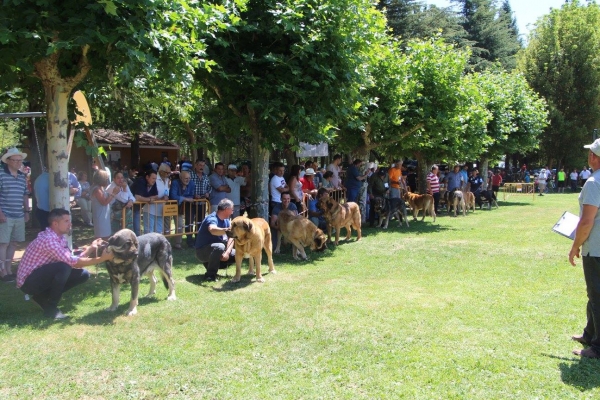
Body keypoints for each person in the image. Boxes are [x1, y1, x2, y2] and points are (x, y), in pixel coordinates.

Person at [16, 208, 114, 319]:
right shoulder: (49, 240)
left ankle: (41, 297)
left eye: (69, 220)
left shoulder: (59, 238)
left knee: (83, 274)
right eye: (66, 221)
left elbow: (72, 260)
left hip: (37, 277)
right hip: (27, 283)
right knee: (63, 268)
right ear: (55, 223)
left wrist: (91, 249)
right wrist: (102, 259)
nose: (70, 224)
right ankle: (51, 309)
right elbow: (73, 262)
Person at [569, 138, 600, 358]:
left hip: (596, 249)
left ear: (594, 157)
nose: (589, 155)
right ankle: (589, 334)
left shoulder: (593, 182)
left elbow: (587, 222)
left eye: (591, 152)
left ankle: (597, 348)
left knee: (596, 295)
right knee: (594, 294)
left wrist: (575, 246)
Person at [0, 148, 31, 283]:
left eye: (20, 160)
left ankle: (9, 269)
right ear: (8, 161)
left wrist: (26, 211)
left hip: (19, 214)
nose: (19, 163)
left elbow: (25, 194)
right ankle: (2, 271)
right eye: (16, 160)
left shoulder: (22, 176)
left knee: (14, 243)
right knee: (3, 243)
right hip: (5, 214)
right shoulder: (1, 174)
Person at [195, 199, 236, 281]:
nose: (232, 212)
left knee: (239, 252)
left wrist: (227, 253)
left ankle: (218, 266)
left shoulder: (226, 220)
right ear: (226, 209)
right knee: (219, 247)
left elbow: (231, 238)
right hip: (202, 252)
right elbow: (212, 229)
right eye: (232, 210)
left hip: (217, 251)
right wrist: (226, 230)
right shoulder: (212, 218)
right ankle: (210, 275)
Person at [169, 170, 196, 249]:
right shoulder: (175, 183)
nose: (188, 180)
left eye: (189, 178)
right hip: (170, 206)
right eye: (185, 178)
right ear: (180, 178)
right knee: (166, 226)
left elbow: (191, 196)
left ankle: (178, 244)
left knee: (180, 225)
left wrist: (182, 198)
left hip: (181, 207)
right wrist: (185, 199)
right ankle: (165, 244)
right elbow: (173, 196)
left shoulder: (191, 183)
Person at [91, 170, 119, 240]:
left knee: (107, 236)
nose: (107, 180)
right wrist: (113, 193)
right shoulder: (97, 190)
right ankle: (98, 251)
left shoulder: (101, 188)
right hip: (100, 217)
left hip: (104, 215)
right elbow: (104, 202)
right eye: (106, 179)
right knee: (102, 238)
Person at [132, 170, 159, 235]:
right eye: (153, 178)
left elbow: (156, 196)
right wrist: (149, 200)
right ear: (147, 177)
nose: (154, 180)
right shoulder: (141, 181)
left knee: (138, 229)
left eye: (155, 178)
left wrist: (144, 198)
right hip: (129, 207)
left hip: (137, 208)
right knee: (133, 229)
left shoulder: (153, 183)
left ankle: (138, 243)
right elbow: (137, 197)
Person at [156, 163, 171, 234]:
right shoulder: (155, 178)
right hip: (154, 208)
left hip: (164, 207)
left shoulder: (168, 180)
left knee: (163, 229)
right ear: (161, 171)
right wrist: (160, 198)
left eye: (169, 173)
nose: (168, 174)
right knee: (155, 228)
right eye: (167, 173)